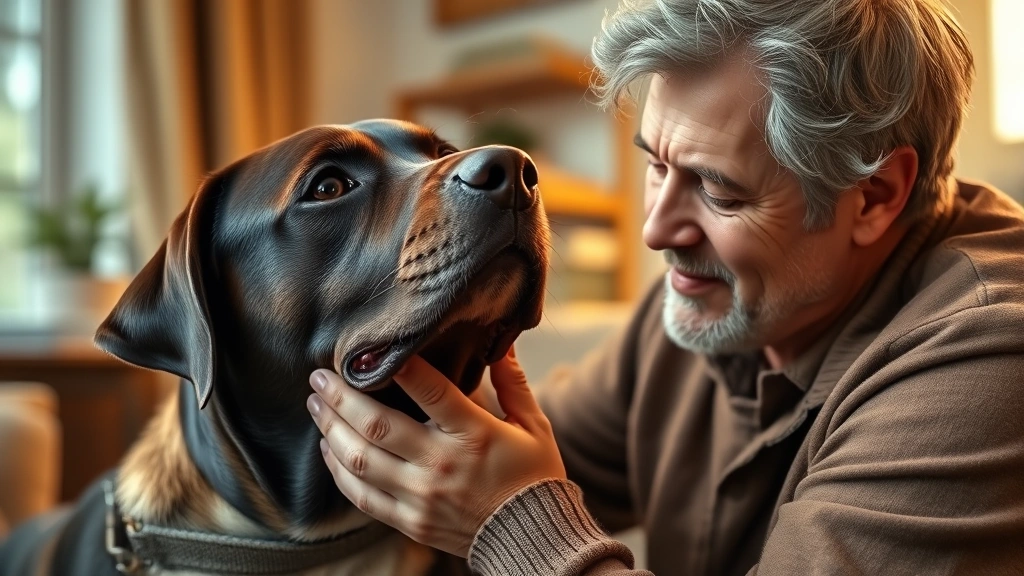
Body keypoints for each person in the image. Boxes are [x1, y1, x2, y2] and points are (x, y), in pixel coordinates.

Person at [305, 0, 1024, 574]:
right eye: (656, 165)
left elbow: (507, 503)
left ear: (875, 196)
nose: (655, 230)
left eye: (718, 190)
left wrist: (515, 526)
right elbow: (499, 462)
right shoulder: (711, 303)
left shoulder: (988, 351)